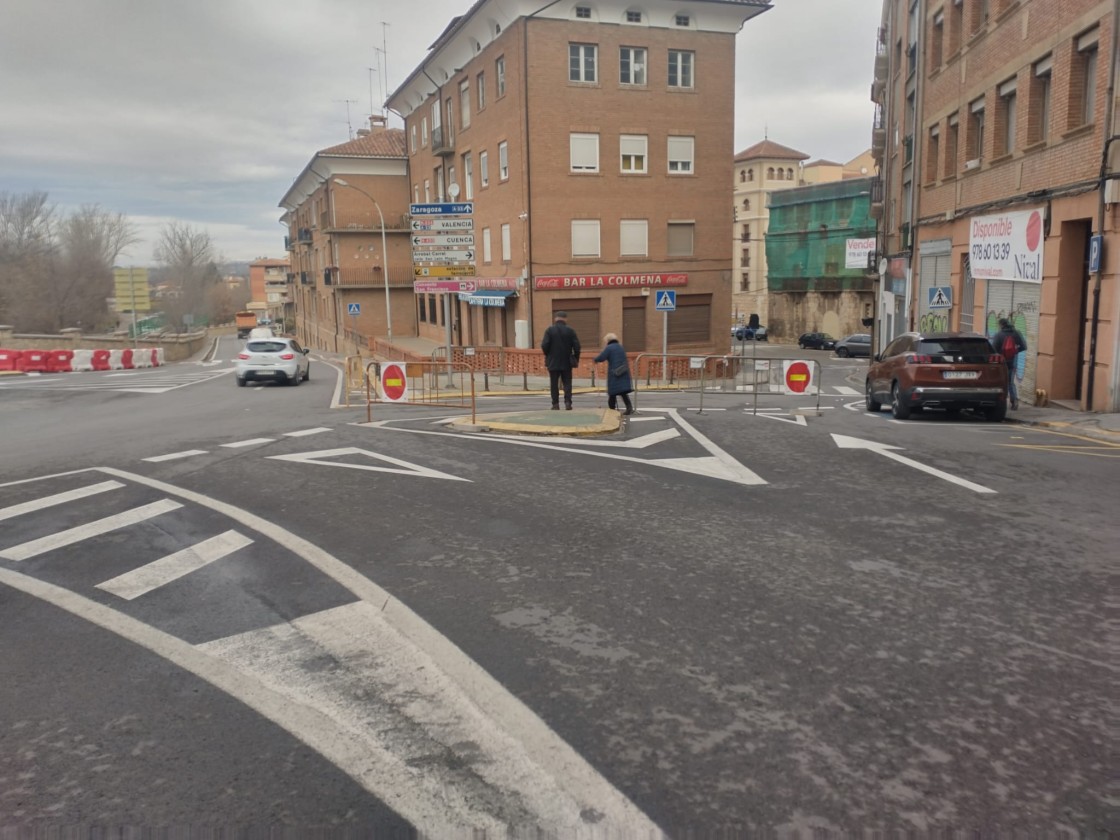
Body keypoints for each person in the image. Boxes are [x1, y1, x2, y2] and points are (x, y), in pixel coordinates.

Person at [541, 311, 580, 410]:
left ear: (555, 319)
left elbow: (544, 345)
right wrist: (575, 358)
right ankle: (568, 403)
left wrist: (548, 355)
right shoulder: (570, 331)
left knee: (554, 384)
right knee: (567, 383)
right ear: (565, 319)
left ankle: (555, 404)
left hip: (553, 361)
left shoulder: (550, 330)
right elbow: (577, 347)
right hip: (567, 361)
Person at [593, 332, 634, 415]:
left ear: (608, 340)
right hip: (623, 371)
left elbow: (602, 357)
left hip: (615, 373)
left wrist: (595, 359)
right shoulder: (620, 347)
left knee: (612, 392)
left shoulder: (609, 348)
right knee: (623, 392)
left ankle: (612, 409)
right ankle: (629, 407)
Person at [993, 316, 1027, 409]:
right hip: (1013, 361)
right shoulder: (1016, 333)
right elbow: (1024, 346)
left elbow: (994, 349)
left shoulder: (999, 335)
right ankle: (1014, 401)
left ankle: (1002, 402)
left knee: (1001, 382)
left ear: (1001, 325)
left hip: (1002, 362)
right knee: (1010, 382)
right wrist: (1015, 351)